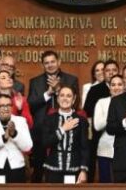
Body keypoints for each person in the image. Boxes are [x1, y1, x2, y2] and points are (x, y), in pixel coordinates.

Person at [28, 50, 79, 182]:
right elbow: (30, 105)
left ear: (59, 62)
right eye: (46, 63)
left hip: (66, 131)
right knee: (38, 173)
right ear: (42, 65)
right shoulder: (35, 81)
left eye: (52, 62)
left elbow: (76, 104)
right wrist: (48, 93)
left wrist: (57, 90)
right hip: (41, 133)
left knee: (63, 173)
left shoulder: (71, 80)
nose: (50, 65)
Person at [0, 94, 33, 183]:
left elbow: (28, 146)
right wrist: (3, 138)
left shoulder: (21, 121)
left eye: (8, 105)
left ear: (12, 108)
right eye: (1, 106)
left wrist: (15, 134)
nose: (5, 108)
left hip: (16, 168)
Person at [41, 86, 90, 183]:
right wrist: (63, 129)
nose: (65, 98)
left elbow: (85, 148)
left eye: (68, 96)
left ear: (73, 99)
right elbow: (45, 143)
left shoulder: (81, 121)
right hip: (53, 170)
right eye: (62, 95)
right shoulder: (49, 119)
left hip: (73, 170)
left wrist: (83, 170)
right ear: (58, 98)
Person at [83, 59, 119, 182]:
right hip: (98, 134)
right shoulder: (95, 89)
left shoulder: (125, 90)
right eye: (108, 70)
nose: (111, 73)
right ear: (104, 73)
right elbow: (87, 110)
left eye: (114, 70)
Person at [93, 75, 124, 183]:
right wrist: (112, 110)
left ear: (124, 87)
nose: (116, 87)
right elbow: (97, 126)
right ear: (109, 88)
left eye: (119, 84)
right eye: (113, 85)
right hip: (104, 150)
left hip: (123, 150)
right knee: (105, 183)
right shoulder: (102, 102)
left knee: (122, 183)